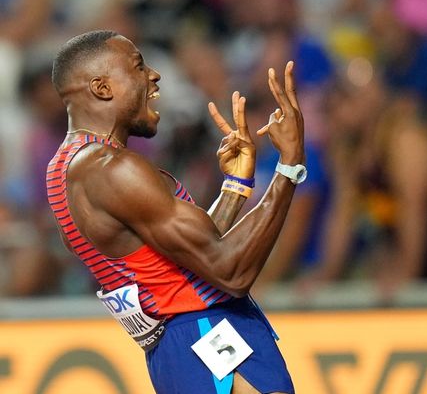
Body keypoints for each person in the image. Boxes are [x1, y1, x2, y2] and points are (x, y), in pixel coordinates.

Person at [46, 30, 304, 394]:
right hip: (211, 336)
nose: (154, 75)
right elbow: (229, 271)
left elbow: (185, 257)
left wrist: (235, 187)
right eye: (138, 66)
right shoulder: (112, 169)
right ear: (102, 88)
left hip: (177, 349)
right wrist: (289, 166)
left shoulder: (63, 170)